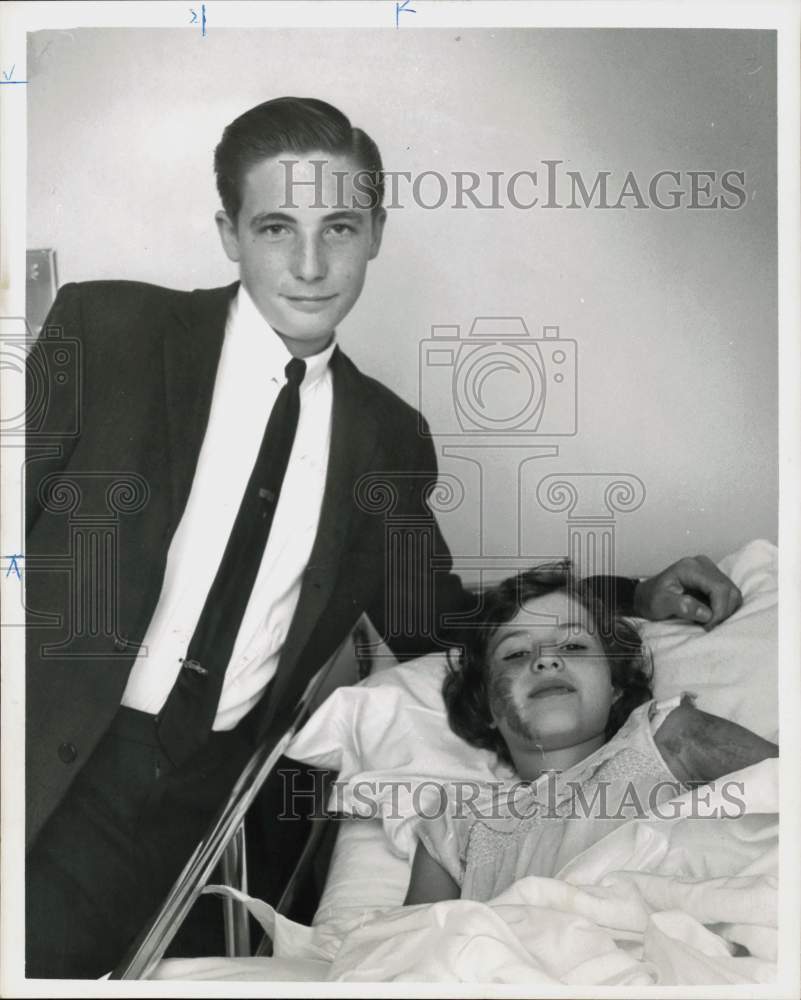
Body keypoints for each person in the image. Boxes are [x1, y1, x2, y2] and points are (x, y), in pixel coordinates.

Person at [25, 96, 743, 978]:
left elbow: (441, 620)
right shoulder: (110, 331)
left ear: (375, 233)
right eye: (276, 227)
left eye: (340, 226)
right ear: (228, 231)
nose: (311, 263)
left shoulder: (384, 436)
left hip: (183, 796)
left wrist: (631, 596)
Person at [404, 564, 777, 905]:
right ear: (485, 706)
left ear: (614, 685)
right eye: (515, 654)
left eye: (573, 646)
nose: (546, 659)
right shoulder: (457, 822)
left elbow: (783, 783)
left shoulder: (667, 738)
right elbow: (411, 955)